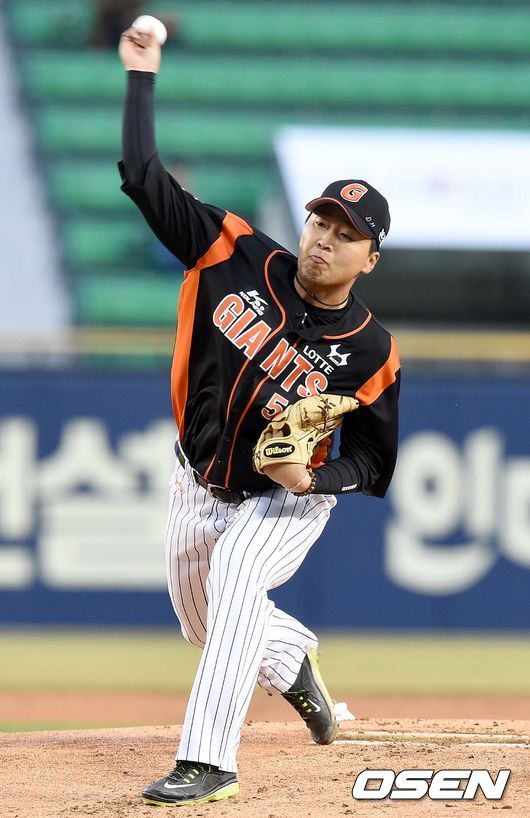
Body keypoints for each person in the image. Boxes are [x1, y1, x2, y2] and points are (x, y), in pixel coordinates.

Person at [118, 25, 400, 808]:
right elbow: (143, 178)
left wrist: (313, 479)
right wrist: (142, 74)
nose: (325, 241)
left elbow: (374, 463)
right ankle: (293, 660)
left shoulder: (371, 349)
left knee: (240, 574)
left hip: (285, 498)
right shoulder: (231, 250)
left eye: (346, 236)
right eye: (321, 223)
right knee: (207, 624)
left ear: (370, 258)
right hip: (198, 479)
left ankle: (209, 761)